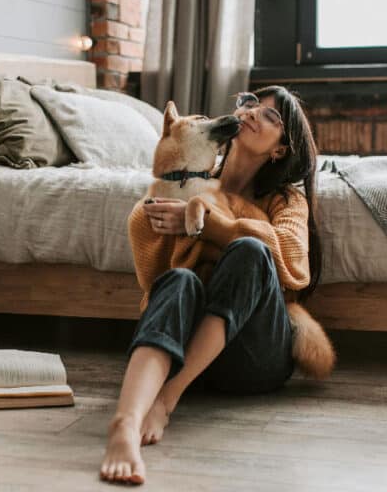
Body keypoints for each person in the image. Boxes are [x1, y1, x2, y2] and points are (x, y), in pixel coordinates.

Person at [99, 86, 323, 484]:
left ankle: (166, 400)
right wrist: (177, 212)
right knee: (180, 279)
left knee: (252, 250)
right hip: (187, 349)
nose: (253, 113)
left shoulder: (287, 200)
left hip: (253, 359)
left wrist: (211, 225)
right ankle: (125, 425)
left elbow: (288, 258)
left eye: (270, 117)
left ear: (279, 150)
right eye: (250, 103)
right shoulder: (188, 178)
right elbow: (155, 278)